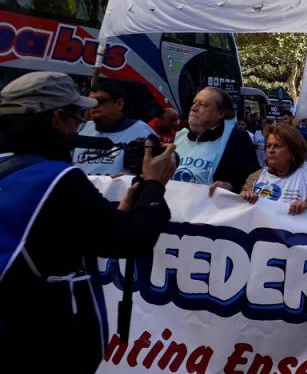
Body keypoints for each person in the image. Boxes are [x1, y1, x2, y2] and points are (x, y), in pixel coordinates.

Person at [0, 71, 177, 372]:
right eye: (77, 117)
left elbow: (53, 240)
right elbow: (131, 240)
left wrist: (117, 215)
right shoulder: (57, 180)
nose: (82, 124)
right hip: (43, 340)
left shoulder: (9, 166)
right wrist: (153, 186)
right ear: (57, 119)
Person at [174, 86, 260, 193]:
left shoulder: (237, 140)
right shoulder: (177, 138)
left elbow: (253, 180)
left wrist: (232, 187)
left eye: (202, 104)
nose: (194, 108)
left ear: (220, 113)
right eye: (194, 103)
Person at [239, 123, 307, 214]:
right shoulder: (255, 177)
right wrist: (245, 197)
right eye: (268, 146)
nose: (271, 150)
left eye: (277, 146)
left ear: (293, 151)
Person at [72, 83, 155, 176]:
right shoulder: (81, 130)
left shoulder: (143, 132)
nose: (94, 105)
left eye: (100, 101)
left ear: (119, 104)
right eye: (90, 101)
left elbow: (156, 172)